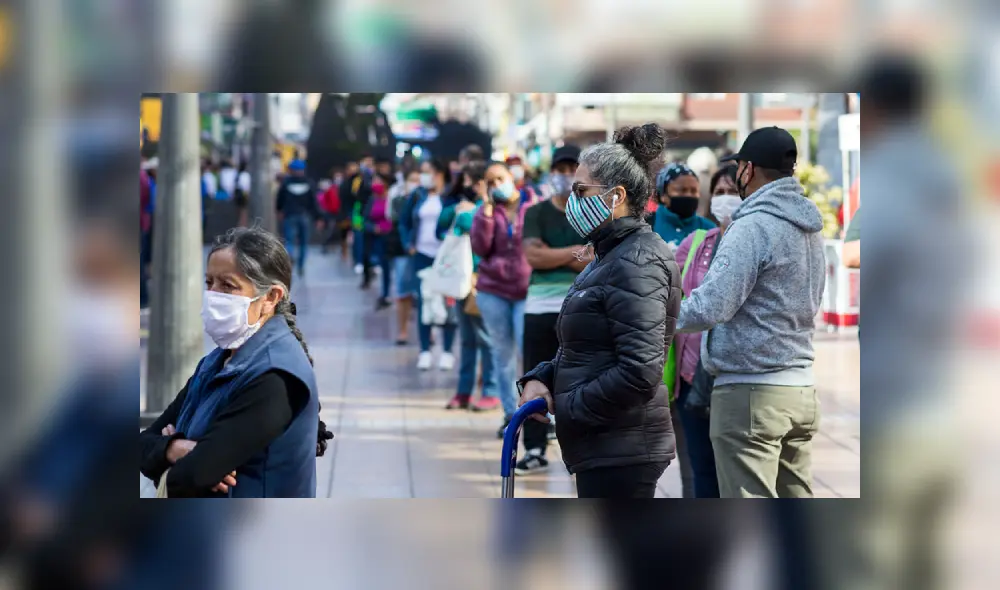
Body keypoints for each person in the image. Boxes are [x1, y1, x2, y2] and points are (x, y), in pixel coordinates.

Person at [517, 123, 680, 498]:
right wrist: (541, 378)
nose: (572, 201)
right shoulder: (609, 255)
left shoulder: (637, 261)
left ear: (615, 196)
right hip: (605, 444)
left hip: (622, 449)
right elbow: (587, 347)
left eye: (581, 191)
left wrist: (567, 405)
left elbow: (639, 370)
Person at [675, 126, 825, 499]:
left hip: (751, 396)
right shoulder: (809, 227)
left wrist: (653, 313)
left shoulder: (751, 226)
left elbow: (711, 306)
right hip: (800, 390)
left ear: (748, 169)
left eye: (738, 167)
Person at [139, 227, 333, 497]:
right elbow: (142, 445)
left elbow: (193, 475)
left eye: (227, 286)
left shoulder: (275, 376)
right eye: (209, 283)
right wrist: (175, 448)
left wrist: (171, 454)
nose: (213, 295)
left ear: (270, 297)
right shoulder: (217, 361)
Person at [667, 165, 741, 498]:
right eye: (720, 192)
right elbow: (670, 294)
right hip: (691, 375)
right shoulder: (697, 242)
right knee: (702, 468)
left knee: (735, 471)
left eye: (733, 191)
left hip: (735, 375)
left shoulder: (753, 242)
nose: (726, 199)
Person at [515, 145, 589, 474]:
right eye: (560, 169)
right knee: (534, 376)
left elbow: (594, 259)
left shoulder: (589, 213)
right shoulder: (536, 213)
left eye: (572, 168)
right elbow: (533, 256)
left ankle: (580, 449)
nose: (565, 175)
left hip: (579, 308)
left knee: (579, 379)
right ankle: (534, 448)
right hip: (539, 307)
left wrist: (554, 254)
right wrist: (574, 252)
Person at [471, 161, 533, 437]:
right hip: (493, 290)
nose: (497, 185)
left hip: (527, 289)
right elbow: (480, 247)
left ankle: (539, 411)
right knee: (502, 353)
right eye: (491, 182)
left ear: (512, 177)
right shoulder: (486, 211)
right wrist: (486, 211)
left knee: (528, 348)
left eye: (500, 179)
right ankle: (510, 413)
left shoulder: (532, 204)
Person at [437, 162, 500, 411]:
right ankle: (464, 391)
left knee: (486, 338)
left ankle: (491, 391)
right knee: (467, 339)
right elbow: (443, 225)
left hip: (485, 281)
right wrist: (458, 210)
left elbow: (469, 224)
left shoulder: (495, 208)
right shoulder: (467, 206)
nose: (469, 187)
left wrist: (466, 213)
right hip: (464, 280)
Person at [398, 159, 457, 370]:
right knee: (424, 301)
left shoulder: (451, 196)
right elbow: (404, 221)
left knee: (448, 301)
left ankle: (447, 351)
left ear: (439, 173)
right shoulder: (418, 195)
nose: (423, 176)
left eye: (427, 172)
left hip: (446, 257)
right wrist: (408, 244)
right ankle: (424, 350)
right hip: (421, 255)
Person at [652, 162, 717, 253]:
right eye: (682, 190)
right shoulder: (648, 225)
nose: (688, 195)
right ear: (663, 195)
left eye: (694, 191)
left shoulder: (709, 229)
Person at [388, 169, 420, 344]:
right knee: (403, 292)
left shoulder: (426, 200)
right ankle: (402, 330)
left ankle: (428, 332)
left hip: (423, 251)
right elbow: (396, 220)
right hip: (402, 250)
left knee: (424, 294)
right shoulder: (398, 200)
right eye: (412, 180)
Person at [275, 159, 320, 277]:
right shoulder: (309, 183)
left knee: (289, 240)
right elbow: (313, 203)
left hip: (289, 215)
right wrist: (318, 217)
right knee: (304, 243)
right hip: (304, 216)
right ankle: (301, 266)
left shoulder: (286, 183)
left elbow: (280, 199)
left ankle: (290, 255)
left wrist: (279, 210)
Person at [362, 179, 394, 308]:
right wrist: (373, 228)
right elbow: (365, 220)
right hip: (377, 238)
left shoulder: (392, 199)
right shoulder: (372, 200)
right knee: (383, 265)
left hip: (392, 238)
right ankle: (385, 294)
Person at [337, 161, 360, 263]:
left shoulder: (359, 182)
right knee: (344, 233)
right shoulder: (344, 184)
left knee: (356, 234)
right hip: (345, 211)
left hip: (356, 212)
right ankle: (344, 252)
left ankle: (356, 256)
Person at [318, 167, 343, 253]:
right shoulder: (330, 188)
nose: (338, 178)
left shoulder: (343, 188)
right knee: (330, 230)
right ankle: (325, 245)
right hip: (330, 213)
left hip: (340, 213)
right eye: (337, 176)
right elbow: (325, 200)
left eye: (339, 176)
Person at [235, 162, 251, 228]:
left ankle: (240, 223)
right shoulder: (246, 175)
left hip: (239, 193)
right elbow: (246, 186)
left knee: (239, 210)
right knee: (244, 210)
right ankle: (243, 224)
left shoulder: (239, 174)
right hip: (244, 194)